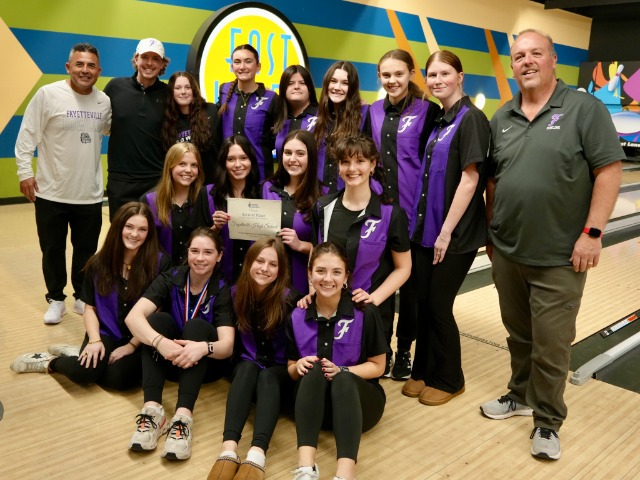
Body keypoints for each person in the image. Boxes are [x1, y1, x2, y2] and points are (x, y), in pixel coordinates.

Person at [480, 29, 623, 460]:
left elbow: (609, 170)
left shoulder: (584, 108)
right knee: (519, 335)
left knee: (552, 342)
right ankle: (520, 395)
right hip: (508, 250)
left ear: (552, 59)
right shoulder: (502, 117)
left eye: (535, 53)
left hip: (561, 255)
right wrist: (492, 231)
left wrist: (592, 233)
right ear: (511, 65)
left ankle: (547, 420)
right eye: (519, 55)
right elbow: (492, 180)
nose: (527, 61)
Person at [401, 51, 489, 406]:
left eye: (444, 73)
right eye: (431, 75)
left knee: (438, 305)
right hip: (427, 229)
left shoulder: (471, 119)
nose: (437, 80)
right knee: (423, 302)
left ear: (460, 76)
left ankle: (450, 378)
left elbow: (471, 179)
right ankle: (422, 370)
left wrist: (446, 232)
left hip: (455, 234)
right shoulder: (440, 120)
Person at [10, 202, 170, 389]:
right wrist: (94, 340)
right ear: (118, 227)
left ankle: (78, 355)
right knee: (84, 373)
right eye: (129, 227)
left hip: (140, 336)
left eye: (142, 229)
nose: (134, 234)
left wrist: (132, 346)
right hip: (105, 332)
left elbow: (156, 310)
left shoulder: (160, 263)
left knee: (118, 380)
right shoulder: (98, 262)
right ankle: (49, 362)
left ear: (149, 233)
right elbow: (90, 308)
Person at [15, 42, 111, 325]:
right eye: (79, 64)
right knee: (53, 249)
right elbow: (26, 136)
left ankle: (81, 296)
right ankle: (56, 298)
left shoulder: (103, 101)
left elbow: (115, 130)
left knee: (86, 251)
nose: (85, 70)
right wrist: (24, 173)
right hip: (51, 192)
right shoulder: (48, 95)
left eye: (91, 65)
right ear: (68, 67)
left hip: (90, 195)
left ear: (99, 71)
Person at [125, 228, 234, 460]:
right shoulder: (172, 276)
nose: (200, 258)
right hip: (169, 358)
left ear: (219, 256)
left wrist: (203, 348)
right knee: (156, 320)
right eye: (195, 251)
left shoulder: (222, 289)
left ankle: (183, 419)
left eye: (208, 252)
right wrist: (159, 341)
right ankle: (153, 412)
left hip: (204, 366)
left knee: (197, 327)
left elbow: (227, 346)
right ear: (188, 252)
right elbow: (132, 317)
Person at [367, 49, 441, 379]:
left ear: (411, 74)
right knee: (381, 283)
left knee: (409, 292)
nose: (392, 80)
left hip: (413, 214)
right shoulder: (371, 112)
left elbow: (433, 164)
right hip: (381, 213)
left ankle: (405, 351)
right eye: (386, 75)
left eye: (399, 74)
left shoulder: (428, 111)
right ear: (379, 77)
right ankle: (381, 348)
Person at [312, 135, 411, 376]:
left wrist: (374, 299)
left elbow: (403, 268)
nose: (352, 168)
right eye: (345, 162)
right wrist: (312, 291)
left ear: (373, 164)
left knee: (356, 380)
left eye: (360, 161)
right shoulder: (323, 207)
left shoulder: (390, 214)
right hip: (328, 310)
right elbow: (317, 257)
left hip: (369, 316)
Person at [287, 242, 387, 480]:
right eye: (320, 271)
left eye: (336, 272)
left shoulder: (365, 311)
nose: (328, 278)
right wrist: (297, 367)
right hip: (318, 410)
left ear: (346, 277)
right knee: (313, 369)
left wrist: (343, 370)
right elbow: (290, 369)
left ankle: (345, 475)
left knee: (342, 378)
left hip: (360, 407)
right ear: (309, 274)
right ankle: (306, 469)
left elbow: (379, 366)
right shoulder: (298, 314)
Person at [207, 238, 300, 480]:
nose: (264, 268)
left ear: (281, 271)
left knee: (268, 375)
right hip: (247, 366)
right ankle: (228, 449)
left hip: (279, 373)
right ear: (249, 262)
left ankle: (257, 455)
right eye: (259, 261)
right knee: (247, 368)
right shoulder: (234, 293)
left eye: (273, 264)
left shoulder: (291, 300)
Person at [104, 38, 169, 220]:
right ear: (136, 59)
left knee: (153, 237)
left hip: (156, 180)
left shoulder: (168, 94)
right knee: (121, 236)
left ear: (163, 63)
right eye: (145, 57)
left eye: (155, 59)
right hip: (120, 180)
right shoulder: (115, 87)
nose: (149, 63)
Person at [192, 135, 261, 283]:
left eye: (243, 158)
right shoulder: (208, 194)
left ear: (251, 161)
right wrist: (215, 228)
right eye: (231, 159)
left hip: (255, 278)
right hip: (217, 278)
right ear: (224, 163)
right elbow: (195, 241)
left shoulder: (263, 193)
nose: (238, 164)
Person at [263, 130, 324, 294]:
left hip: (303, 284)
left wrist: (301, 245)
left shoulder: (324, 196)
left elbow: (329, 248)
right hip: (269, 282)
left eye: (300, 154)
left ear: (310, 157)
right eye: (287, 153)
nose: (292, 159)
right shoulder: (268, 188)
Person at [217, 44, 278, 180]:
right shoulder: (224, 90)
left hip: (260, 175)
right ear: (232, 66)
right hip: (228, 174)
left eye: (248, 61)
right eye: (237, 62)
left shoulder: (271, 98)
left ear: (258, 66)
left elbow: (278, 137)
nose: (242, 66)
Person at [142, 142, 204, 265]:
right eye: (182, 164)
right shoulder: (150, 201)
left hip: (196, 274)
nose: (188, 170)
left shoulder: (205, 200)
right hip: (160, 275)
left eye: (194, 165)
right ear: (170, 166)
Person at [314, 61, 369, 192]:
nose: (337, 87)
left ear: (353, 88)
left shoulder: (365, 114)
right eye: (333, 81)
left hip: (350, 194)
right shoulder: (320, 116)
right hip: (320, 195)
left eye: (345, 83)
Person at [162, 71, 219, 184]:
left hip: (211, 184)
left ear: (193, 90)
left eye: (187, 87)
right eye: (178, 88)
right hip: (183, 184)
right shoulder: (167, 121)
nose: (183, 92)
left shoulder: (211, 111)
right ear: (171, 92)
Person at [274, 65, 318, 158]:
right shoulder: (277, 117)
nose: (296, 87)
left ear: (309, 88)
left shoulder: (324, 116)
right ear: (283, 89)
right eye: (290, 83)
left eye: (302, 83)